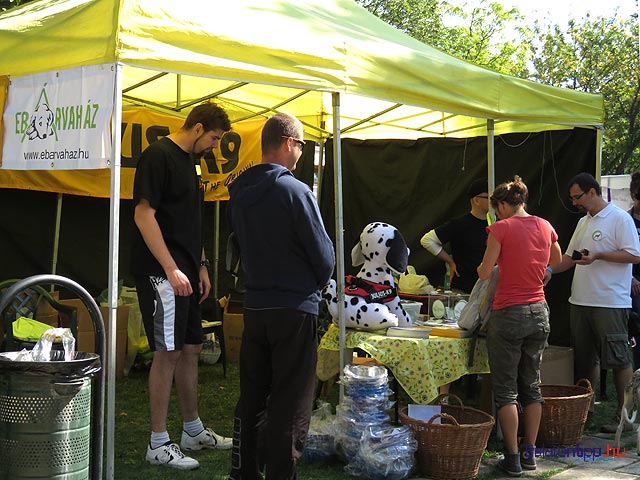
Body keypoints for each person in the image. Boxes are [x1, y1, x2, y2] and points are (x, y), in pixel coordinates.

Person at [227, 112, 335, 479]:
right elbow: (324, 258)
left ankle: (243, 471)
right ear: (289, 143)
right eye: (302, 144)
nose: (302, 152)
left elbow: (238, 246)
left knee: (253, 395)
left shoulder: (239, 192)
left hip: (255, 305)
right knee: (290, 401)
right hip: (294, 306)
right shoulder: (296, 191)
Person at [132, 102, 233, 470]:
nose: (214, 146)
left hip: (188, 273)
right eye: (214, 138)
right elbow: (143, 215)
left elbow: (191, 220)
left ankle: (192, 429)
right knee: (167, 352)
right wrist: (171, 268)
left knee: (191, 347)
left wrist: (202, 264)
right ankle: (157, 442)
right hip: (162, 274)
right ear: (198, 127)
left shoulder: (193, 163)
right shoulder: (157, 156)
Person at [477, 175, 561, 477]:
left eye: (496, 208)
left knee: (506, 391)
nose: (496, 213)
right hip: (539, 311)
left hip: (508, 314)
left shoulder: (500, 228)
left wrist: (493, 264)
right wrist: (542, 272)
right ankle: (530, 454)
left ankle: (511, 457)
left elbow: (485, 273)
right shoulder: (544, 225)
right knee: (532, 386)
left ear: (501, 204)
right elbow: (557, 258)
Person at [544, 172, 640, 434]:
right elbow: (570, 257)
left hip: (610, 301)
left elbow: (634, 255)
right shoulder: (583, 222)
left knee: (620, 360)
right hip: (581, 300)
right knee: (587, 360)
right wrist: (550, 271)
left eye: (577, 197)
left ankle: (627, 418)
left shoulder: (620, 218)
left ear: (592, 192)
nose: (574, 203)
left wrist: (599, 255)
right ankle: (585, 411)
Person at [420, 178, 489, 293]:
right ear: (476, 200)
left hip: (488, 289)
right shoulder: (459, 224)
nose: (493, 202)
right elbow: (427, 240)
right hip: (464, 289)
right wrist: (450, 261)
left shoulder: (496, 224)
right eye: (489, 198)